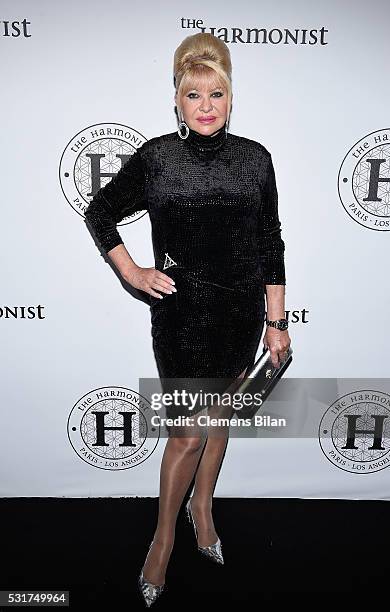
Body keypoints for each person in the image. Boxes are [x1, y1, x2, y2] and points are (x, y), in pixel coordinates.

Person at [84, 32, 291, 607]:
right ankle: (164, 535)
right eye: (193, 93)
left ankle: (203, 509)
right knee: (185, 431)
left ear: (231, 99)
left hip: (240, 313)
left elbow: (270, 242)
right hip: (180, 316)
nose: (205, 104)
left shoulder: (255, 159)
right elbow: (100, 211)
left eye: (216, 93)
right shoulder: (156, 158)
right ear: (176, 99)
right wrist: (131, 271)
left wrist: (276, 321)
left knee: (219, 418)